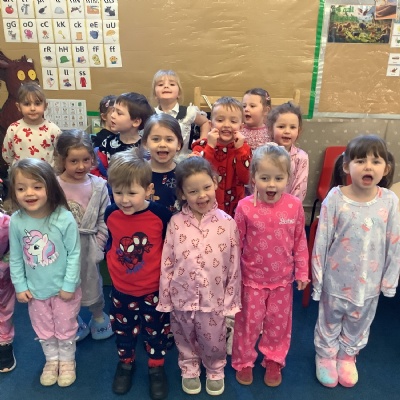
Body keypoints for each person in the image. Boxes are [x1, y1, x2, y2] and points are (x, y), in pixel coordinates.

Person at [312, 135, 400, 388]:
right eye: (360, 161)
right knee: (329, 320)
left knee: (359, 322)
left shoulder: (389, 201)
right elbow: (322, 241)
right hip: (335, 281)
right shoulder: (335, 198)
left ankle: (347, 356)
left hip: (369, 283)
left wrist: (389, 280)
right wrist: (318, 278)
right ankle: (325, 355)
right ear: (346, 166)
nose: (368, 166)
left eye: (375, 161)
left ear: (386, 168)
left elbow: (394, 242)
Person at [157, 156, 241, 396]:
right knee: (183, 335)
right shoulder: (175, 222)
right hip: (181, 296)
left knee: (214, 338)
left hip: (213, 298)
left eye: (206, 187)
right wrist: (166, 296)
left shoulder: (227, 223)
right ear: (182, 194)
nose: (201, 195)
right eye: (193, 191)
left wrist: (230, 300)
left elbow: (234, 265)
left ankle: (215, 368)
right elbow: (167, 261)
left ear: (215, 183)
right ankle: (189, 366)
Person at [231, 144, 309, 387]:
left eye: (278, 178)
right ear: (254, 178)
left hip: (282, 280)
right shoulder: (245, 207)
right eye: (265, 178)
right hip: (251, 280)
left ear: (288, 178)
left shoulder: (294, 206)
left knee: (278, 323)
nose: (271, 185)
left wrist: (302, 271)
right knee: (248, 323)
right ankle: (244, 361)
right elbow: (235, 244)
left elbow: (300, 240)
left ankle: (274, 359)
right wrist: (231, 276)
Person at [105, 149, 172, 399]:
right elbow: (112, 242)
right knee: (123, 330)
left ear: (148, 189)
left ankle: (156, 366)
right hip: (121, 289)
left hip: (153, 289)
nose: (124, 200)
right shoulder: (110, 213)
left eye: (132, 193)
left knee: (156, 331)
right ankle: (126, 363)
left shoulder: (161, 215)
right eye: (118, 192)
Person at [8, 158, 81, 387]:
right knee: (44, 329)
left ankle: (67, 361)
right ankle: (52, 360)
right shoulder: (16, 221)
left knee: (65, 327)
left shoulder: (63, 217)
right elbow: (16, 256)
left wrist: (69, 285)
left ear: (49, 186)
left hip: (63, 290)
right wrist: (20, 286)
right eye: (21, 188)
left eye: (37, 186)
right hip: (35, 291)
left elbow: (74, 253)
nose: (29, 193)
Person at [56, 130, 113, 341]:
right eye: (74, 161)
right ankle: (72, 319)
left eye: (86, 160)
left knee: (92, 282)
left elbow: (105, 218)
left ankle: (98, 317)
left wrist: (99, 245)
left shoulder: (99, 186)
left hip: (89, 245)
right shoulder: (54, 185)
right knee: (65, 285)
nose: (81, 166)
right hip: (61, 248)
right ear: (62, 160)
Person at [191, 96, 251, 217]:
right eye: (220, 120)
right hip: (206, 205)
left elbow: (245, 179)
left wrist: (240, 150)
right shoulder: (201, 146)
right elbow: (198, 176)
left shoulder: (243, 148)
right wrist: (210, 147)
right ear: (210, 124)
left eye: (233, 121)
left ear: (241, 127)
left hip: (234, 206)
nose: (226, 125)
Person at [92, 92, 154, 179]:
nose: (112, 115)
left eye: (119, 113)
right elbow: (98, 169)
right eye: (113, 111)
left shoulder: (146, 147)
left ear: (136, 122)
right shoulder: (107, 143)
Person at [151, 69, 209, 160]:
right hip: (159, 161)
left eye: (172, 84)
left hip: (184, 162)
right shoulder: (150, 116)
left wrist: (201, 144)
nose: (166, 86)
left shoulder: (188, 113)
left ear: (179, 93)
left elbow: (205, 122)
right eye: (161, 84)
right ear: (155, 94)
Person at [2, 82, 61, 168]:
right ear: (18, 107)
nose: (32, 108)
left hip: (45, 174)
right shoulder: (13, 129)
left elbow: (60, 155)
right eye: (27, 104)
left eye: (37, 103)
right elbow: (7, 155)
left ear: (45, 106)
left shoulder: (53, 130)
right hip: (21, 173)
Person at [142, 113, 183, 213]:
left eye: (169, 139)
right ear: (145, 143)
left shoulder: (184, 174)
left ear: (178, 144)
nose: (162, 144)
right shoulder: (137, 172)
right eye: (156, 139)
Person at [267, 102, 308, 202]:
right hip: (264, 204)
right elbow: (256, 181)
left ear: (299, 131)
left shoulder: (301, 157)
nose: (287, 131)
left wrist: (289, 206)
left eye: (292, 127)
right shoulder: (263, 154)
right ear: (271, 129)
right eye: (281, 127)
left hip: (289, 206)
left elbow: (300, 187)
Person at [0, 211, 16, 373]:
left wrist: (3, 266)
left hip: (2, 277)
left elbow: (15, 248)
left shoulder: (7, 223)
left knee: (4, 307)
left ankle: (4, 342)